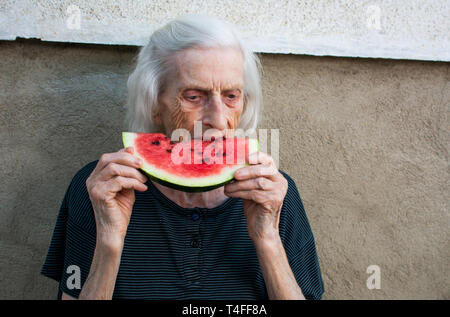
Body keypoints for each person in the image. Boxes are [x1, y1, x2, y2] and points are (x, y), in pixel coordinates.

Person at [41, 14, 324, 300]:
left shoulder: (274, 193)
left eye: (231, 96)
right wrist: (110, 239)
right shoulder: (102, 188)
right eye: (193, 96)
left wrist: (268, 239)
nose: (217, 118)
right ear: (154, 104)